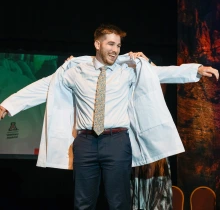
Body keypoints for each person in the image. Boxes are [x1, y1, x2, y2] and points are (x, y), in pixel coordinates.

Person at [0, 23, 219, 210]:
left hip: (117, 141)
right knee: (83, 202)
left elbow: (160, 73)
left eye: (118, 45)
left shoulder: (128, 70)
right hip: (85, 142)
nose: (116, 50)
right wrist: (8, 105)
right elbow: (45, 87)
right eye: (111, 44)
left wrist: (195, 70)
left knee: (118, 202)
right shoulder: (75, 71)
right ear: (97, 44)